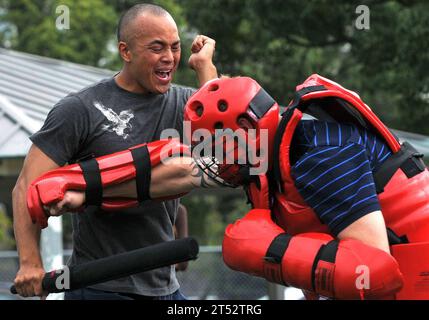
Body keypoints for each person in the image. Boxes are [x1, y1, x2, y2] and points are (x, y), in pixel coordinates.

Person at [23, 76, 429, 299]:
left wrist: (271, 251)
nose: (212, 161)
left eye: (217, 149)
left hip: (414, 279)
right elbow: (179, 171)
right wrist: (83, 190)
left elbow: (373, 272)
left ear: (242, 138)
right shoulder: (267, 151)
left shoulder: (319, 157)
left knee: (247, 241)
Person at [12, 3, 217, 300]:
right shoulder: (80, 109)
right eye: (157, 48)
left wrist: (205, 67)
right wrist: (31, 263)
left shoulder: (185, 104)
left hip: (165, 288)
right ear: (126, 51)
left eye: (175, 47)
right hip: (99, 286)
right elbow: (26, 186)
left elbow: (225, 142)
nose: (169, 58)